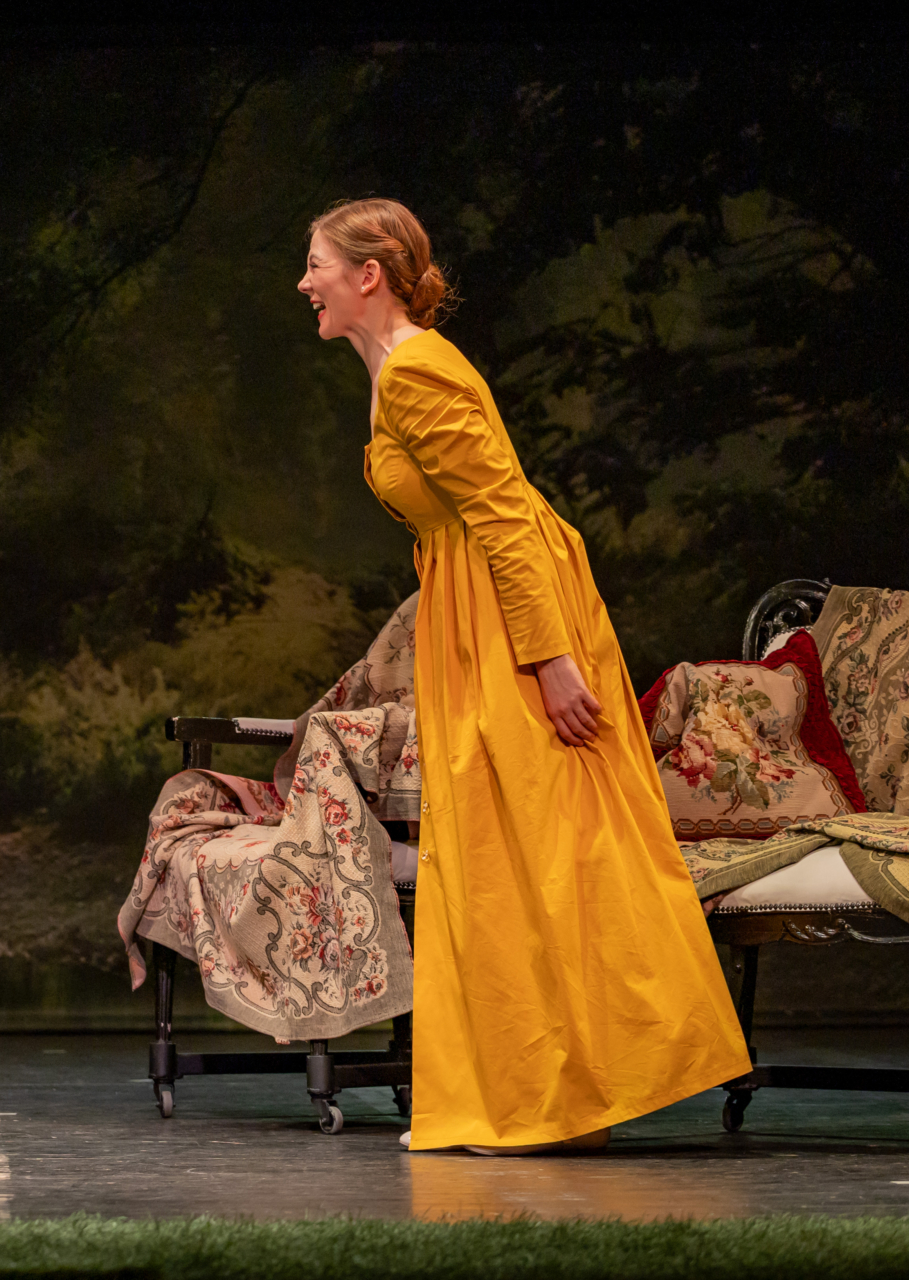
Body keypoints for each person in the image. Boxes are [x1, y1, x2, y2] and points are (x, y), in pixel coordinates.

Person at [296, 198, 751, 1154]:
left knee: (550, 841)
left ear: (367, 274)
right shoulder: (392, 370)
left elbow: (503, 515)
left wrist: (550, 662)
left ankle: (578, 1089)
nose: (305, 284)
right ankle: (540, 1091)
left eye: (317, 265)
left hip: (511, 615)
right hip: (473, 611)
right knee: (503, 850)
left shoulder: (416, 370)